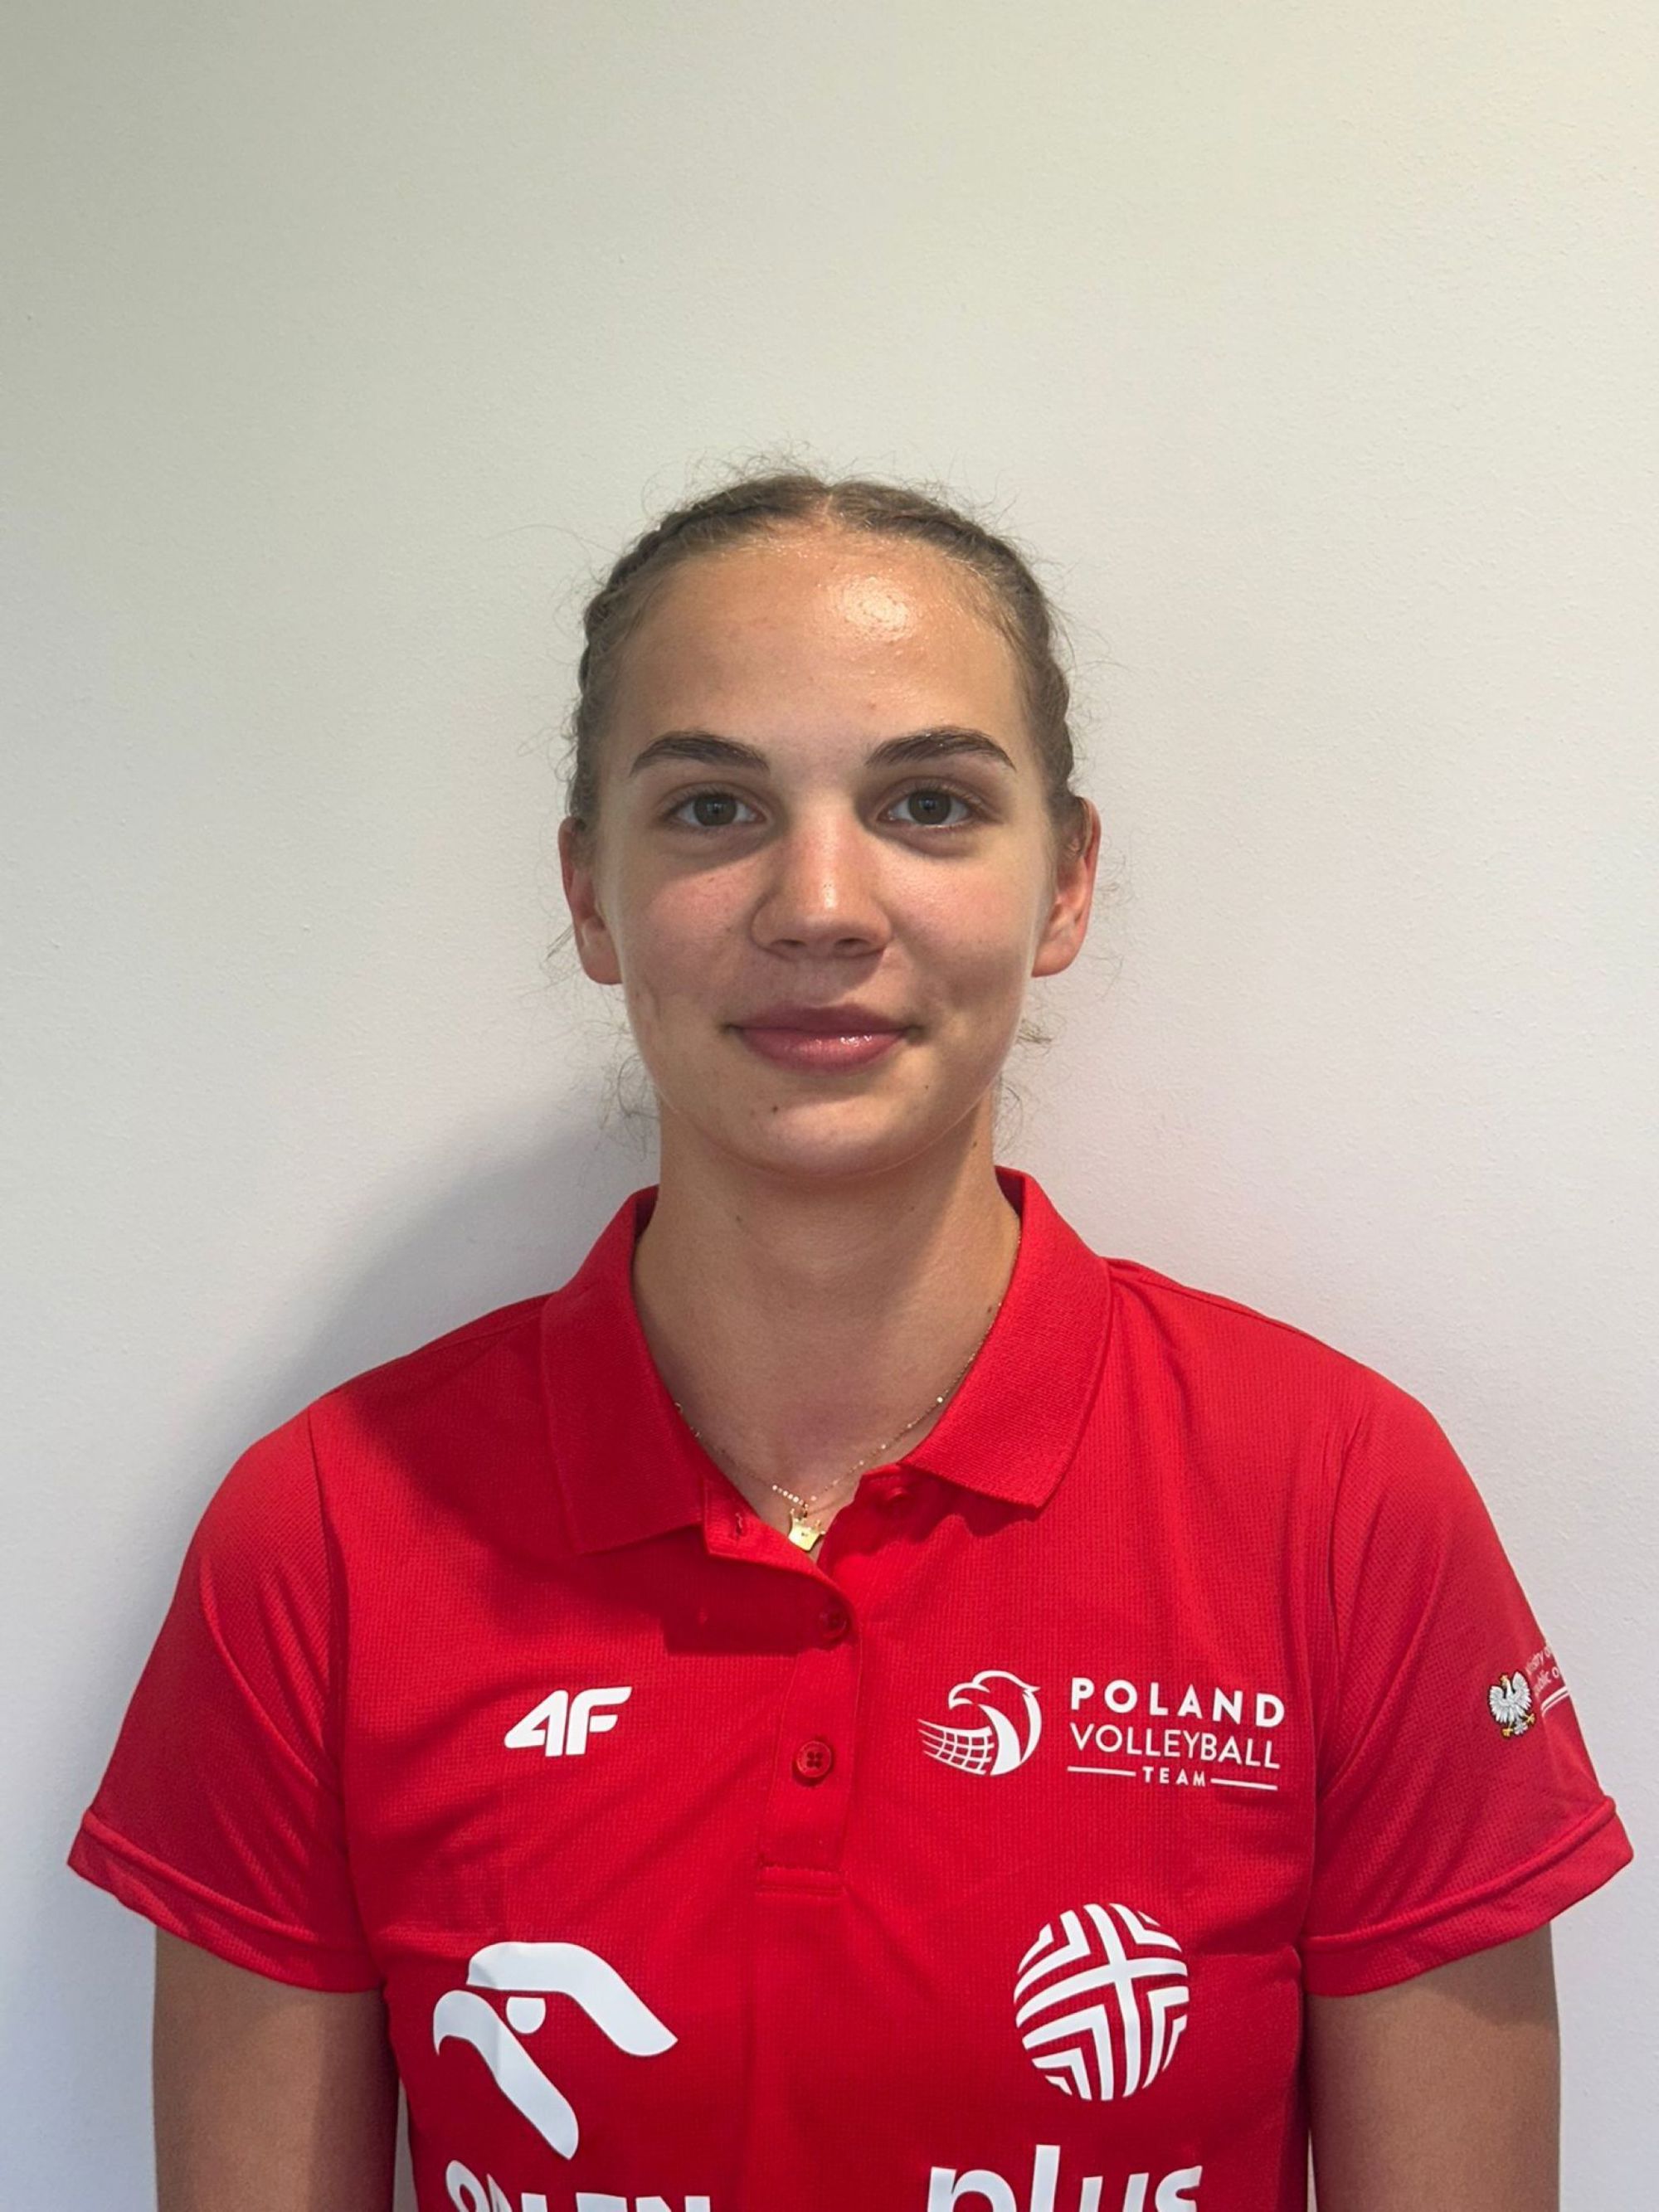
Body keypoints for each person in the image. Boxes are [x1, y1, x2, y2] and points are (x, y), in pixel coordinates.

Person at [68, 468, 1631, 2212]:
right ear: (590, 894)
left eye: (929, 803)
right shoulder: (327, 1536)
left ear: (1066, 883)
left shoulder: (1339, 1501)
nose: (820, 901)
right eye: (713, 806)